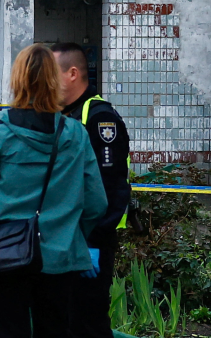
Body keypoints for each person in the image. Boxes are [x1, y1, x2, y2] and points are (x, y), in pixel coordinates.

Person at [0, 43, 107, 338]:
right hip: (58, 258)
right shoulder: (75, 134)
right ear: (55, 81)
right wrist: (71, 233)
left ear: (17, 80)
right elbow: (96, 202)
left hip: (2, 253)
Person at [52, 41, 132, 338]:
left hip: (90, 241)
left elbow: (109, 187)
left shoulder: (99, 118)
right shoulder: (64, 116)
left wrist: (93, 242)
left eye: (51, 74)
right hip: (64, 240)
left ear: (72, 74)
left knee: (89, 322)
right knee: (67, 321)